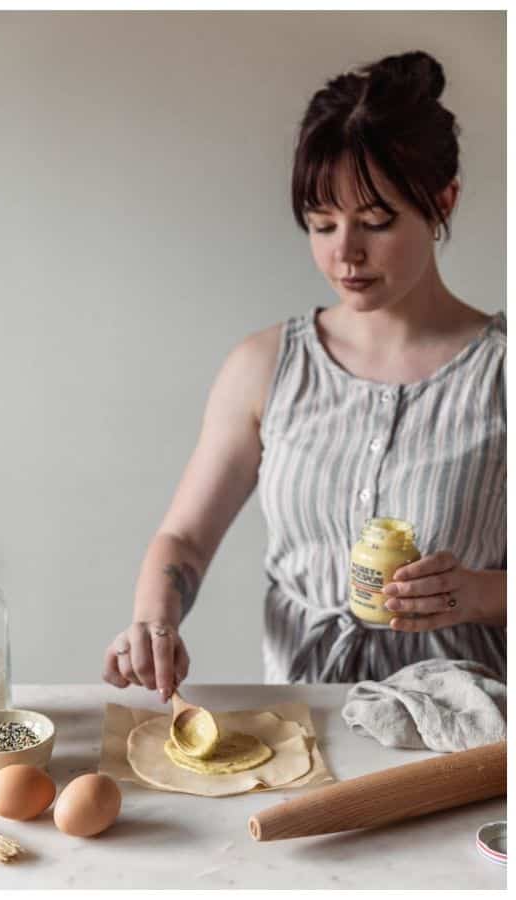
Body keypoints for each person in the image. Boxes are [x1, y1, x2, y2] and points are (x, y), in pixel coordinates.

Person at [103, 51, 505, 701]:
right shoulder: (265, 367)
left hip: (467, 732)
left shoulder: (501, 370)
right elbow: (184, 538)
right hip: (304, 717)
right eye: (321, 224)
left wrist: (484, 593)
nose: (344, 253)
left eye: (375, 222)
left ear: (442, 202)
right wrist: (155, 622)